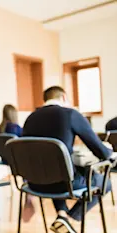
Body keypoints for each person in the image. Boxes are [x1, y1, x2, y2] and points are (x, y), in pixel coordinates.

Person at [22, 86, 113, 233]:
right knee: (106, 183)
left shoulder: (30, 119)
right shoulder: (70, 114)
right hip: (63, 184)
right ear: (64, 97)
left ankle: (62, 214)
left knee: (54, 168)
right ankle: (68, 220)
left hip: (34, 184)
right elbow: (101, 152)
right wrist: (110, 152)